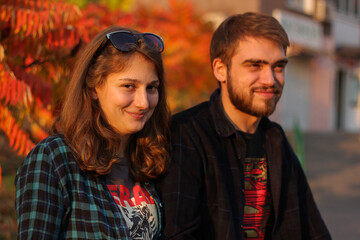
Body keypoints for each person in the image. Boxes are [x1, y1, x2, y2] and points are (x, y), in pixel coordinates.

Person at [157, 12, 331, 240]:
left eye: (278, 66)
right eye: (255, 66)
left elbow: (309, 228)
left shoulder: (274, 139)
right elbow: (177, 234)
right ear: (220, 69)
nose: (270, 79)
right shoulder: (186, 135)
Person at [15, 26, 170, 239]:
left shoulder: (151, 160)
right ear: (93, 88)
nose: (144, 102)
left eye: (151, 88)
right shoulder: (54, 159)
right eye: (128, 86)